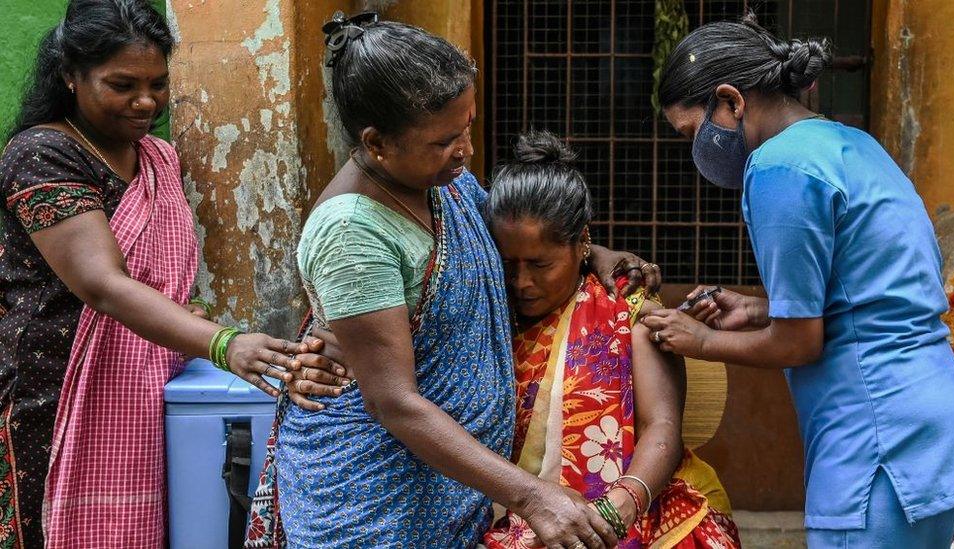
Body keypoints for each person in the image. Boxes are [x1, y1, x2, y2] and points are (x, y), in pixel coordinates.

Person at [246, 13, 654, 549]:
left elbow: (510, 237)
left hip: (449, 488)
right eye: (444, 139)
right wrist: (531, 496)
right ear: (377, 144)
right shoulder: (351, 234)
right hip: (372, 499)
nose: (464, 149)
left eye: (467, 126)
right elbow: (393, 401)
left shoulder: (439, 182)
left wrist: (593, 252)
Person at [643, 13, 954, 548]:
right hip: (939, 431)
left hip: (878, 445)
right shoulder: (851, 145)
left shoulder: (779, 169)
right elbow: (864, 295)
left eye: (693, 132)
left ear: (730, 102)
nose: (696, 151)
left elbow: (800, 341)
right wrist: (758, 310)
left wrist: (704, 341)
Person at [0, 1, 309, 546]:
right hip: (53, 394)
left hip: (146, 384)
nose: (146, 102)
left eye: (158, 84)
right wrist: (223, 343)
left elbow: (152, 275)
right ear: (70, 75)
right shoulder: (41, 153)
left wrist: (175, 316)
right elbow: (102, 284)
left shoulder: (157, 158)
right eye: (122, 85)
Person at [478, 131, 740, 548]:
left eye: (540, 264)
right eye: (508, 263)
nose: (521, 282)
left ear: (583, 242)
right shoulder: (489, 312)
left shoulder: (627, 306)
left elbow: (663, 425)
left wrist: (621, 504)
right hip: (533, 516)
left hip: (643, 507)